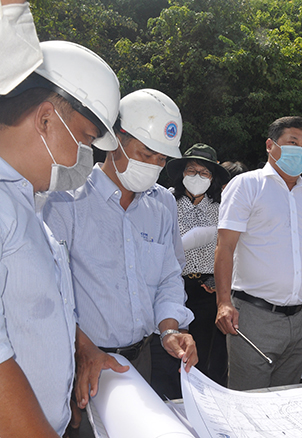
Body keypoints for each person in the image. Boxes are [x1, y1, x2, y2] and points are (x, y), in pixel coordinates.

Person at [0, 39, 124, 437]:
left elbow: (32, 312)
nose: (82, 159)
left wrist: (81, 348)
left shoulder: (28, 207)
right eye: (86, 140)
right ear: (46, 120)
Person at [42, 88, 198, 403]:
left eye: (162, 158)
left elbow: (169, 275)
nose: (154, 165)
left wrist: (170, 329)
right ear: (115, 141)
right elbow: (49, 291)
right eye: (145, 154)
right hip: (79, 357)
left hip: (142, 357)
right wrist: (82, 349)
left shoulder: (163, 203)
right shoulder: (65, 199)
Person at [214, 116, 302, 391]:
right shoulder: (246, 185)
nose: (300, 151)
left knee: (286, 398)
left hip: (299, 320)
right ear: (270, 145)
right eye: (293, 142)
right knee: (249, 401)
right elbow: (225, 247)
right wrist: (223, 302)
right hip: (253, 317)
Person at [166, 143, 231, 386]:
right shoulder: (166, 201)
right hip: (172, 287)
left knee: (207, 356)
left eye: (204, 173)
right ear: (182, 172)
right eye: (191, 170)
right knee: (173, 350)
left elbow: (230, 250)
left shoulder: (221, 208)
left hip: (206, 290)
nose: (197, 177)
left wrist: (217, 279)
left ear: (213, 178)